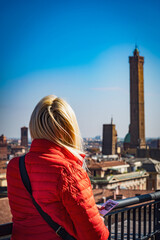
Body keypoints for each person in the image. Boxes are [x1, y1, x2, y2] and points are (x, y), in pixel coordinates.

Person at [7, 95, 109, 240]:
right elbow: (95, 236)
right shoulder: (69, 172)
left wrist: (84, 210)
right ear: (70, 128)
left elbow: (35, 215)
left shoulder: (14, 166)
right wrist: (99, 221)